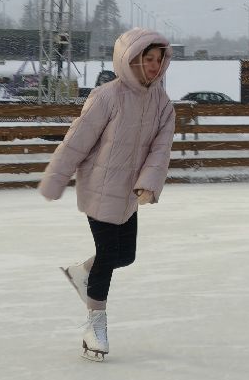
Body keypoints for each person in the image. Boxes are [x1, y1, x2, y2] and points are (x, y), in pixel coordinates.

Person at [38, 27, 176, 361]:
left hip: (129, 195)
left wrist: (149, 183)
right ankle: (94, 325)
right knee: (107, 256)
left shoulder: (162, 103)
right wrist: (55, 179)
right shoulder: (107, 97)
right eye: (148, 59)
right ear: (132, 60)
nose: (155, 67)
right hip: (99, 189)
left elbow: (161, 149)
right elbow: (76, 142)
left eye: (159, 60)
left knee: (123, 256)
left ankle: (81, 272)